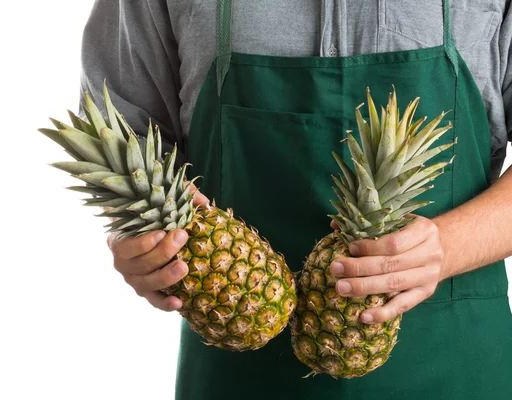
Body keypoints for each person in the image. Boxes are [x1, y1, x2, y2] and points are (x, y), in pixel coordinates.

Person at [80, 1, 512, 399]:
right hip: (237, 361)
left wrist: (449, 245)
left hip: (457, 363)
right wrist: (140, 244)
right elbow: (119, 138)